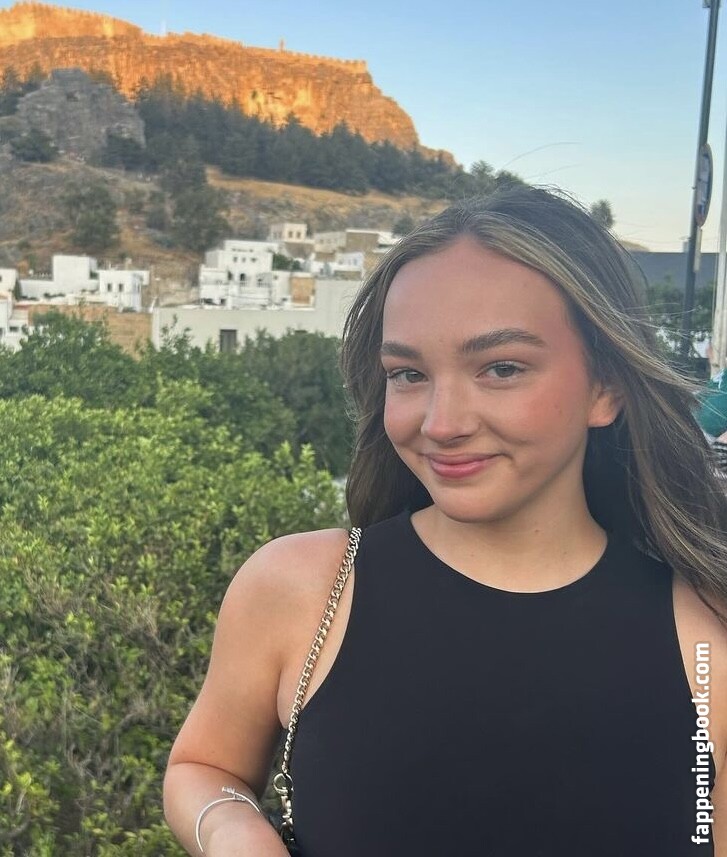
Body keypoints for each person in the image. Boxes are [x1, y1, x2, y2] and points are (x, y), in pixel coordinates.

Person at [163, 186, 727, 856]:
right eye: (408, 374)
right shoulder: (300, 590)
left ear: (605, 387)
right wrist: (231, 828)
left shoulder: (707, 637)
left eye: (501, 368)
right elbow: (203, 765)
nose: (441, 423)